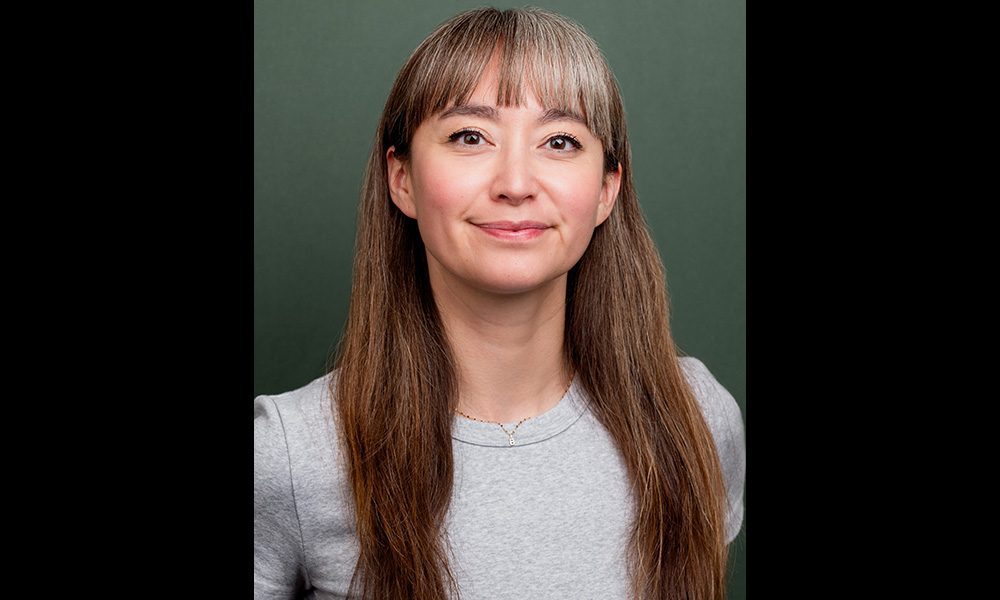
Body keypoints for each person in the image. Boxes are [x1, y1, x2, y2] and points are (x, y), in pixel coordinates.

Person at [255, 6, 745, 600]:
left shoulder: (693, 420)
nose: (516, 182)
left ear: (606, 191)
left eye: (560, 141)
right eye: (470, 136)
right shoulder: (287, 452)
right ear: (402, 179)